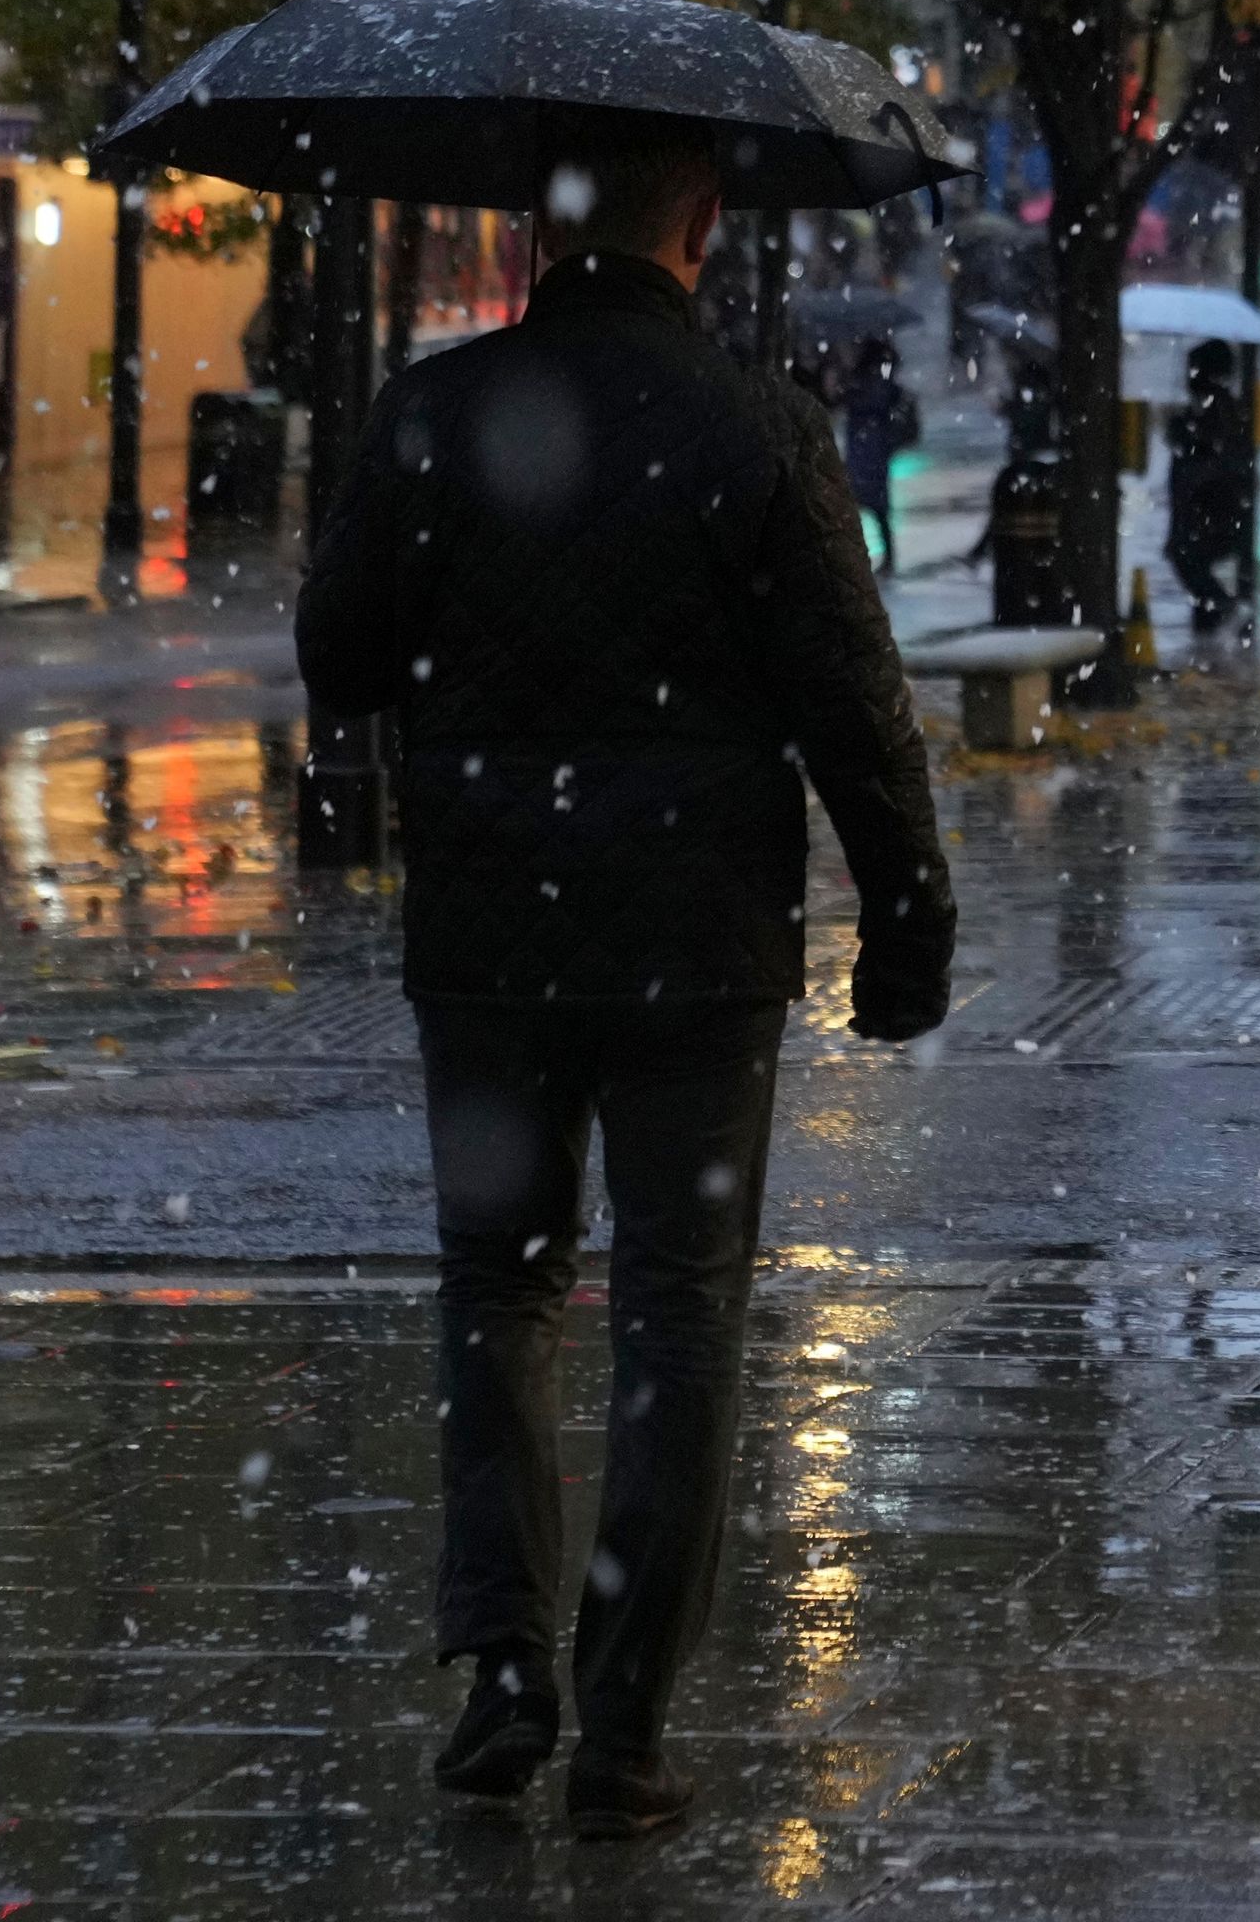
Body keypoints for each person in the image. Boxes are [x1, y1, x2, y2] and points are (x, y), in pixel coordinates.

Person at [295, 122, 954, 1838]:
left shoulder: (439, 412)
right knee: (680, 1307)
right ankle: (629, 1726)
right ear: (706, 226)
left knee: (497, 1292)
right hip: (699, 947)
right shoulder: (759, 430)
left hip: (492, 937)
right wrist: (908, 907)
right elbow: (851, 700)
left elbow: (339, 650)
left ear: (539, 228)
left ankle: (503, 1664)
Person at [1160, 337, 1254, 623]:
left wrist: (1188, 440)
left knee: (1186, 557)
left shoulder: (1220, 410)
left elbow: (1217, 462)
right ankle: (1214, 612)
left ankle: (1221, 608)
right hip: (1204, 516)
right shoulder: (1209, 408)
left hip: (1212, 516)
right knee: (1187, 560)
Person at [832, 334, 920, 571]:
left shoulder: (863, 382)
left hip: (865, 449)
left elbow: (843, 401)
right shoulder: (880, 383)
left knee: (858, 504)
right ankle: (885, 557)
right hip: (874, 449)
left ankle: (855, 556)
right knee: (874, 506)